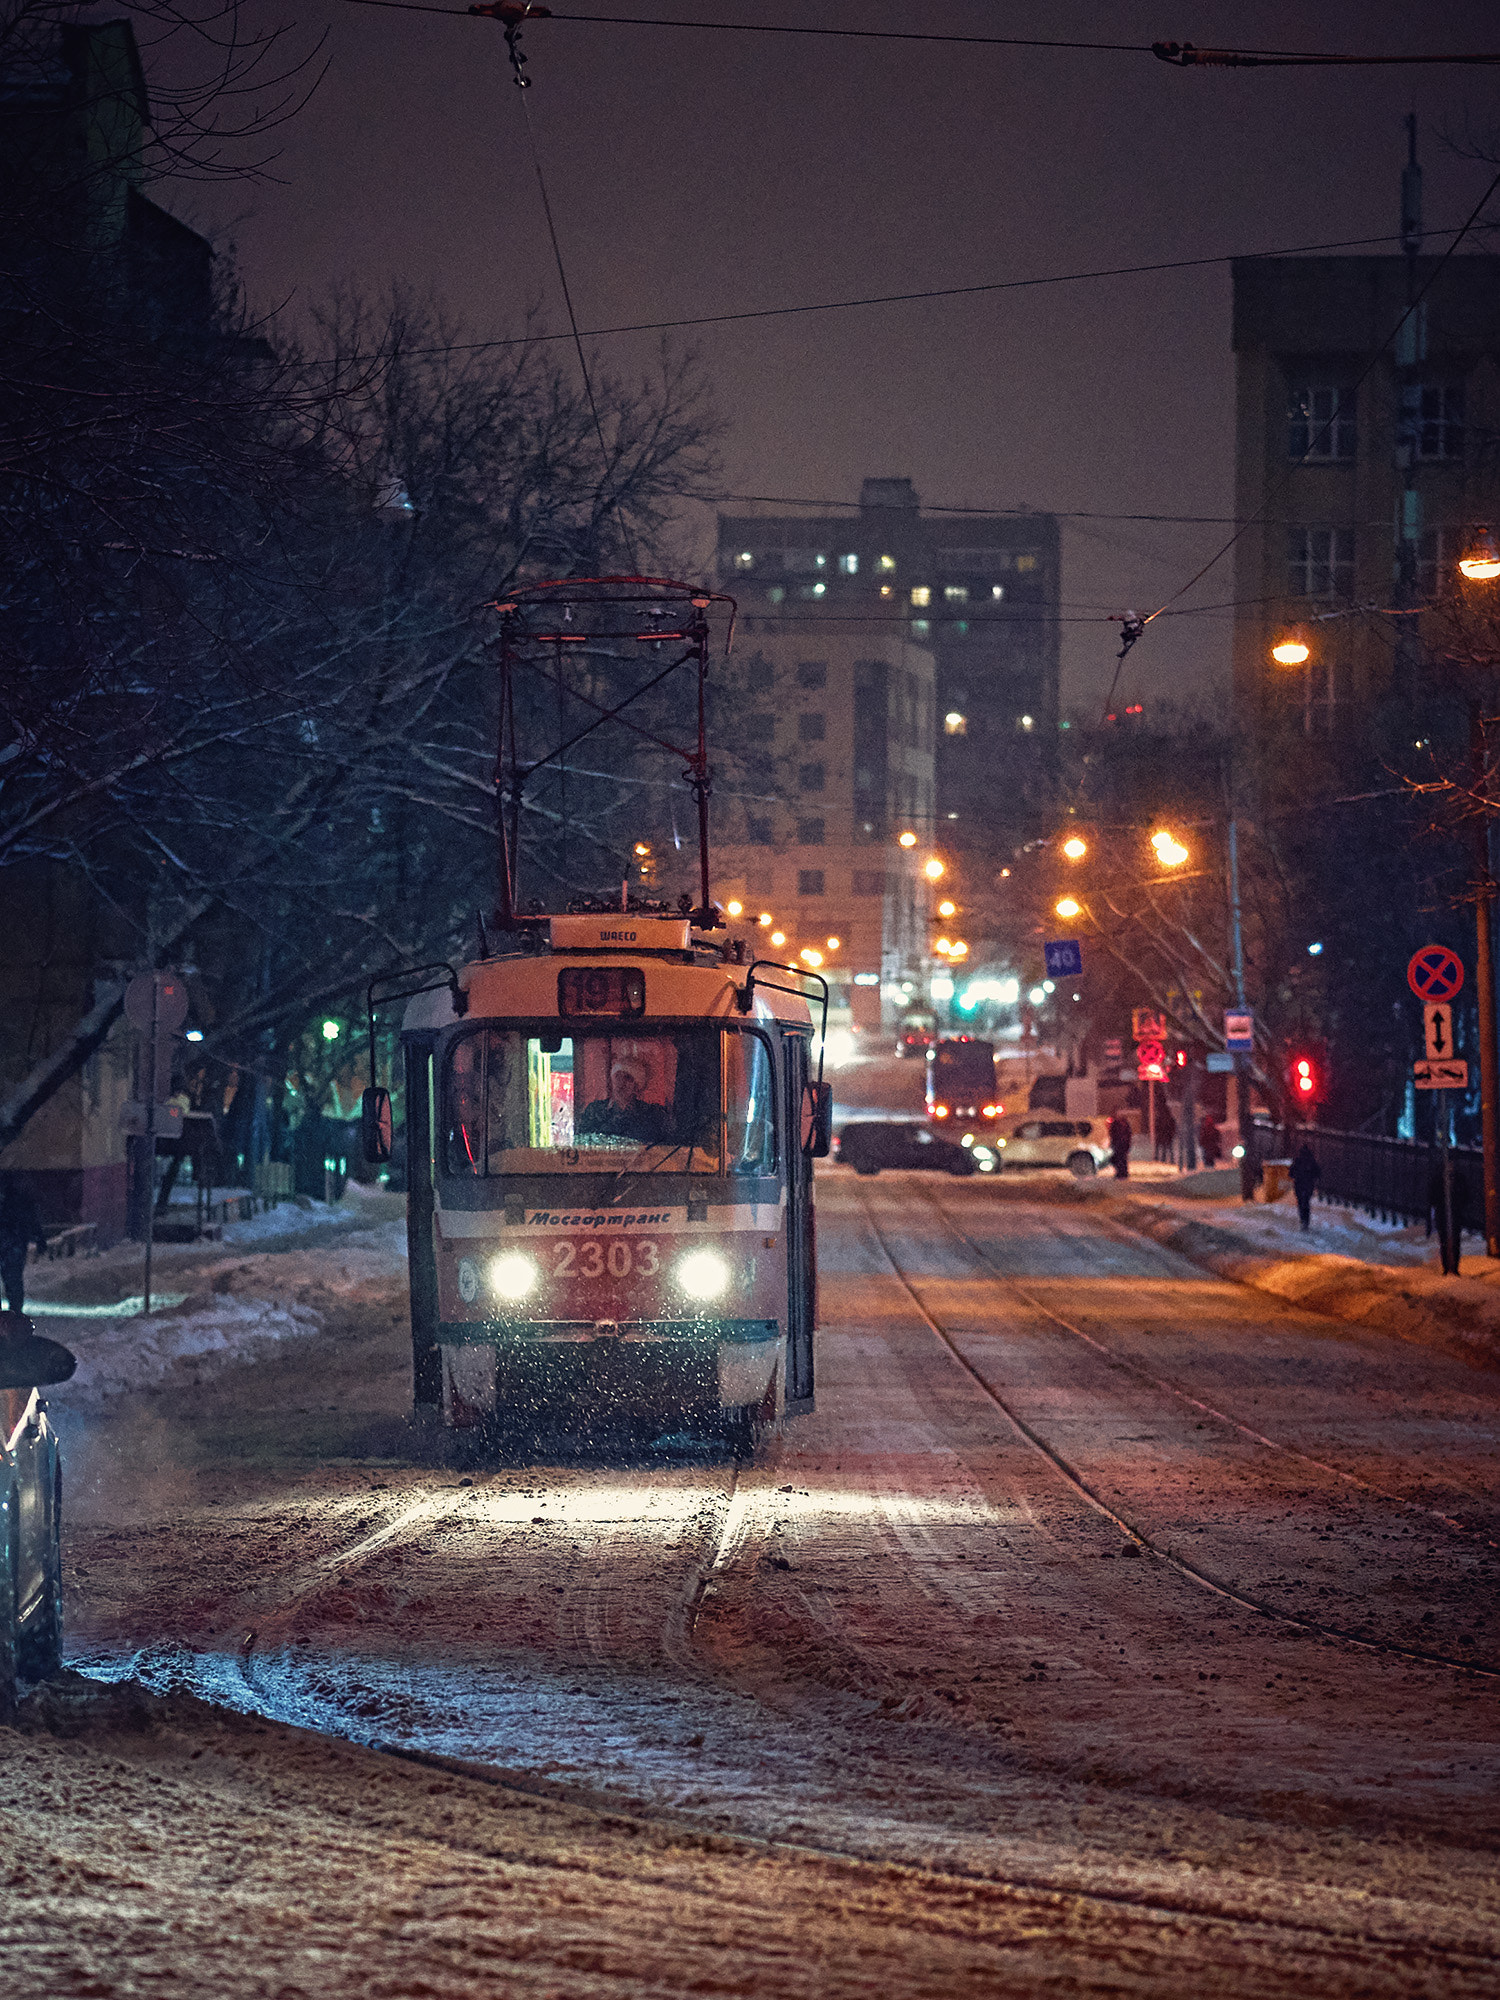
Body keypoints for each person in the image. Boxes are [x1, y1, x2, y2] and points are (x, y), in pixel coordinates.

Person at [575, 1057, 673, 1146]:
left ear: (637, 1086)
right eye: (617, 1076)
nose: (621, 1083)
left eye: (628, 1078)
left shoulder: (651, 1115)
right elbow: (583, 1144)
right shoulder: (594, 1111)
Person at [0, 1177, 47, 1314]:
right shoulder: (20, 1200)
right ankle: (15, 1315)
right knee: (14, 1281)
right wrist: (39, 1239)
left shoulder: (18, 1201)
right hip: (15, 1244)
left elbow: (30, 1219)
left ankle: (14, 1314)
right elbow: (31, 1220)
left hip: (13, 1244)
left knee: (13, 1281)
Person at [1289, 1142, 1321, 1231]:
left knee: (1300, 1202)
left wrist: (1296, 1176)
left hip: (1299, 1184)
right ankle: (1305, 1221)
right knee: (1306, 1202)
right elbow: (1318, 1173)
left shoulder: (1298, 1161)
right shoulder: (1312, 1161)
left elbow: (1291, 1173)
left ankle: (1303, 1220)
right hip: (1308, 1185)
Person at [1107, 1111, 1133, 1179]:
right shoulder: (1124, 1124)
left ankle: (1121, 1173)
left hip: (1119, 1144)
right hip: (1122, 1143)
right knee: (1121, 1159)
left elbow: (1112, 1133)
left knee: (1119, 1159)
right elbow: (1129, 1134)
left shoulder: (1116, 1124)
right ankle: (1123, 1173)